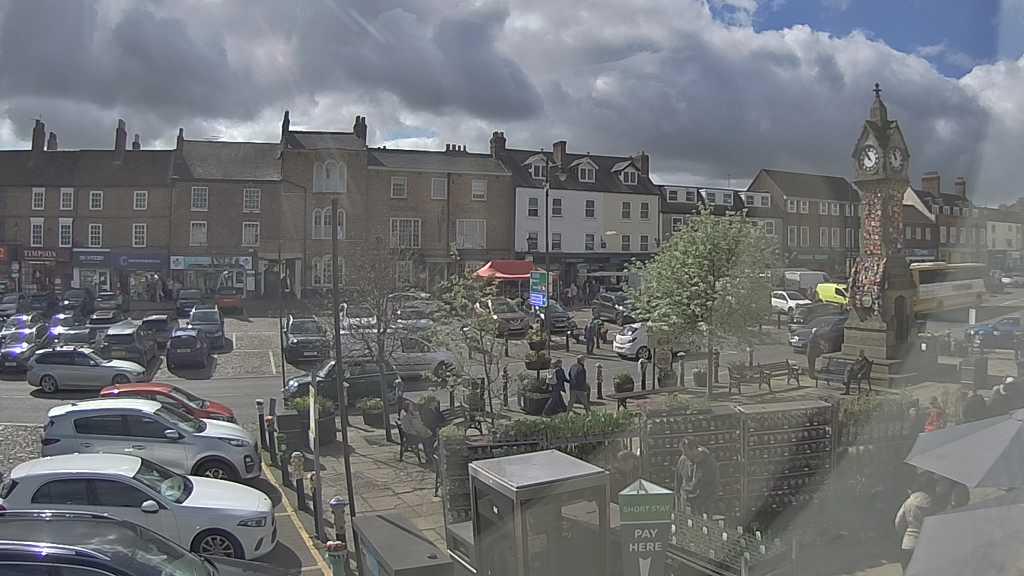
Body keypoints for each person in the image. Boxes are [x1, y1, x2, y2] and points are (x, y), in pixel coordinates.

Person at [894, 474, 936, 572]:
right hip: (926, 546)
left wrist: (903, 535)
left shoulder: (908, 502)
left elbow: (898, 521)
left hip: (908, 544)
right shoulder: (934, 504)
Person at [674, 438, 720, 517]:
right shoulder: (683, 460)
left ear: (695, 449)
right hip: (685, 504)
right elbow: (678, 482)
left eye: (686, 452)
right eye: (683, 452)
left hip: (703, 505)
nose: (684, 455)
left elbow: (713, 486)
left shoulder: (709, 463)